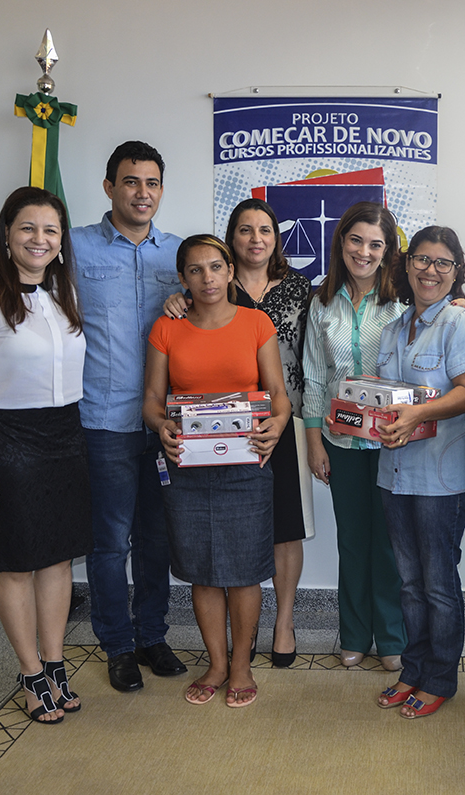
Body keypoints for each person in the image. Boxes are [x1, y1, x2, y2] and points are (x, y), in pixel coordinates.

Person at [0, 142, 189, 692]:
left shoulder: (180, 255)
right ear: (109, 187)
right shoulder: (70, 248)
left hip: (164, 422)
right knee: (108, 542)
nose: (141, 192)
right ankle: (117, 645)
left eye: (151, 182)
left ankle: (152, 635)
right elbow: (12, 299)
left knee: (156, 538)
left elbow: (215, 305)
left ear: (161, 190)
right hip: (98, 422)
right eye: (130, 181)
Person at [0, 186, 93, 724]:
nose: (39, 239)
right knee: (16, 562)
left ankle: (54, 664)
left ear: (61, 240)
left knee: (57, 558)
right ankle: (30, 672)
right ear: (7, 234)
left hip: (65, 435)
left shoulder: (62, 291)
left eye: (50, 230)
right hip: (9, 441)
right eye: (28, 228)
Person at [142, 234, 292, 707]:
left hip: (246, 463)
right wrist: (162, 425)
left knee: (245, 572)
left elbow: (278, 394)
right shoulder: (166, 328)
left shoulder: (256, 322)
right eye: (195, 270)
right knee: (202, 572)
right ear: (182, 278)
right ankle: (217, 664)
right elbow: (152, 399)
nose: (207, 278)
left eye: (215, 267)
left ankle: (241, 665)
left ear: (230, 271)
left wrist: (278, 423)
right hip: (187, 468)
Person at [163, 198, 311, 667]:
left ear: (276, 238)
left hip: (281, 421)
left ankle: (283, 622)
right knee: (224, 538)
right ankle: (224, 655)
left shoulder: (301, 288)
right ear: (231, 243)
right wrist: (176, 301)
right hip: (212, 439)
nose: (255, 238)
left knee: (285, 526)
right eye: (245, 229)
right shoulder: (200, 297)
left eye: (265, 229)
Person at [371, 226, 465, 720]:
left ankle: (439, 678)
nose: (431, 270)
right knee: (409, 583)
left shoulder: (459, 323)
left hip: (443, 478)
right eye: (422, 259)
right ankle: (413, 669)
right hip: (395, 473)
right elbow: (387, 395)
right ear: (407, 263)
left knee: (438, 585)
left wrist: (418, 413)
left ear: (457, 272)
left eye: (443, 263)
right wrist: (361, 407)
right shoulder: (394, 328)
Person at [302, 202, 408, 671]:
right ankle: (354, 634)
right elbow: (314, 375)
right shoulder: (321, 301)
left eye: (375, 244)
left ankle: (392, 637)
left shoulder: (404, 301)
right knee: (352, 541)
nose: (364, 251)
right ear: (341, 241)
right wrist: (313, 441)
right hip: (340, 443)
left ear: (388, 251)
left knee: (388, 542)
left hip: (392, 443)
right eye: (356, 240)